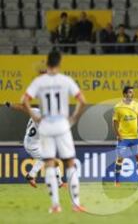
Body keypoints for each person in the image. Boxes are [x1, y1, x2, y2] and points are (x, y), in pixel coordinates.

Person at [21, 51, 86, 213]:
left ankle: (55, 205)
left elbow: (24, 101)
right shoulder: (65, 80)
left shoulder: (39, 81)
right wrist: (73, 118)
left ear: (47, 63)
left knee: (49, 163)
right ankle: (76, 204)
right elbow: (82, 101)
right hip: (62, 125)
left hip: (46, 126)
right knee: (70, 162)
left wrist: (35, 117)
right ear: (59, 63)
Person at [5, 102, 64, 188]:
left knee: (45, 159)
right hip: (32, 146)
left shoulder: (36, 111)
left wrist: (10, 105)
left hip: (34, 142)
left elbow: (21, 108)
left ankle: (57, 182)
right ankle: (58, 183)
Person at [112, 86, 138, 187]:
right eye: (130, 92)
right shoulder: (118, 107)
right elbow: (114, 122)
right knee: (120, 158)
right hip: (124, 138)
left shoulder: (137, 105)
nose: (132, 94)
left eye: (133, 92)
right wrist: (118, 135)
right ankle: (117, 181)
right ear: (125, 94)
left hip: (135, 137)